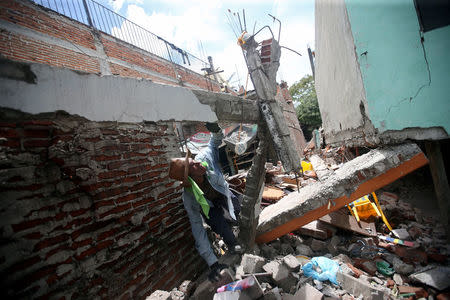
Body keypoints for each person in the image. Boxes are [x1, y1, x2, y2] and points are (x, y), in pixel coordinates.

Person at [168, 122, 241, 282]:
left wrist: (215, 131)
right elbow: (197, 228)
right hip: (210, 206)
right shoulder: (189, 197)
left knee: (238, 211)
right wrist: (212, 263)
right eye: (193, 166)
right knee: (219, 225)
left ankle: (243, 230)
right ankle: (233, 243)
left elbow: (214, 142)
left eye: (194, 161)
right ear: (189, 178)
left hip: (223, 194)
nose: (199, 163)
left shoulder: (204, 158)